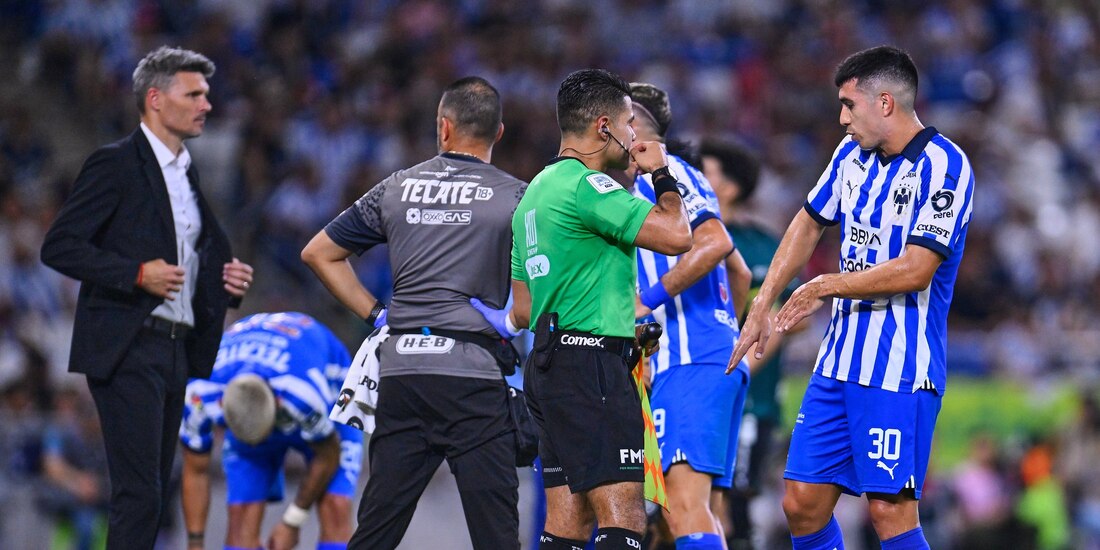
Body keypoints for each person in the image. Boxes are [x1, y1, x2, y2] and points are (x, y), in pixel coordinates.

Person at [728, 45, 974, 550]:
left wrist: (824, 284)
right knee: (801, 501)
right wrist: (764, 300)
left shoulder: (945, 166)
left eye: (849, 104)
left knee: (889, 512)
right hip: (839, 362)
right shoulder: (850, 157)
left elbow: (917, 268)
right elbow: (807, 222)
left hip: (900, 367)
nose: (841, 118)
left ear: (885, 102)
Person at [39, 46, 254, 549]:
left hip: (176, 348)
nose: (206, 104)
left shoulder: (186, 174)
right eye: (194, 94)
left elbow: (198, 259)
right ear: (155, 99)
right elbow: (61, 245)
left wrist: (228, 280)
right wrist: (136, 273)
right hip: (129, 342)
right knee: (140, 494)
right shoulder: (115, 164)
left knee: (153, 494)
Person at [301, 76, 527, 550]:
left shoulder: (396, 187)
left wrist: (378, 315)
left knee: (376, 534)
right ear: (498, 132)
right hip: (473, 376)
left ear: (443, 127)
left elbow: (319, 253)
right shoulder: (518, 197)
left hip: (403, 372)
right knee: (498, 537)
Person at [496, 68, 691, 550]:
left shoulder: (532, 198)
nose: (634, 137)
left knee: (567, 522)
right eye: (629, 124)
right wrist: (661, 173)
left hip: (547, 365)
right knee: (623, 519)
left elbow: (522, 310)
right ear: (604, 127)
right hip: (592, 368)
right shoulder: (589, 187)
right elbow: (677, 235)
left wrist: (615, 321)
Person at [626, 84, 752, 550]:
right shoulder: (686, 175)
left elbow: (717, 243)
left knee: (682, 508)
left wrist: (649, 299)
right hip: (714, 358)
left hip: (690, 362)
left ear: (632, 124)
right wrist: (725, 335)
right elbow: (737, 271)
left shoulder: (659, 175)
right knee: (701, 511)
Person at [179, 312, 361, 550]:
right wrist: (195, 544)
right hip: (260, 388)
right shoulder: (199, 395)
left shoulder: (300, 396)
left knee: (334, 506)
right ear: (223, 406)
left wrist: (293, 520)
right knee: (241, 518)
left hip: (330, 390)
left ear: (276, 404)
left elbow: (328, 456)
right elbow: (195, 470)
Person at [700, 138, 801, 550]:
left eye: (704, 172)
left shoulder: (760, 245)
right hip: (688, 390)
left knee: (735, 508)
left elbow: (780, 322)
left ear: (730, 187)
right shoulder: (675, 238)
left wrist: (729, 377)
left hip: (747, 402)